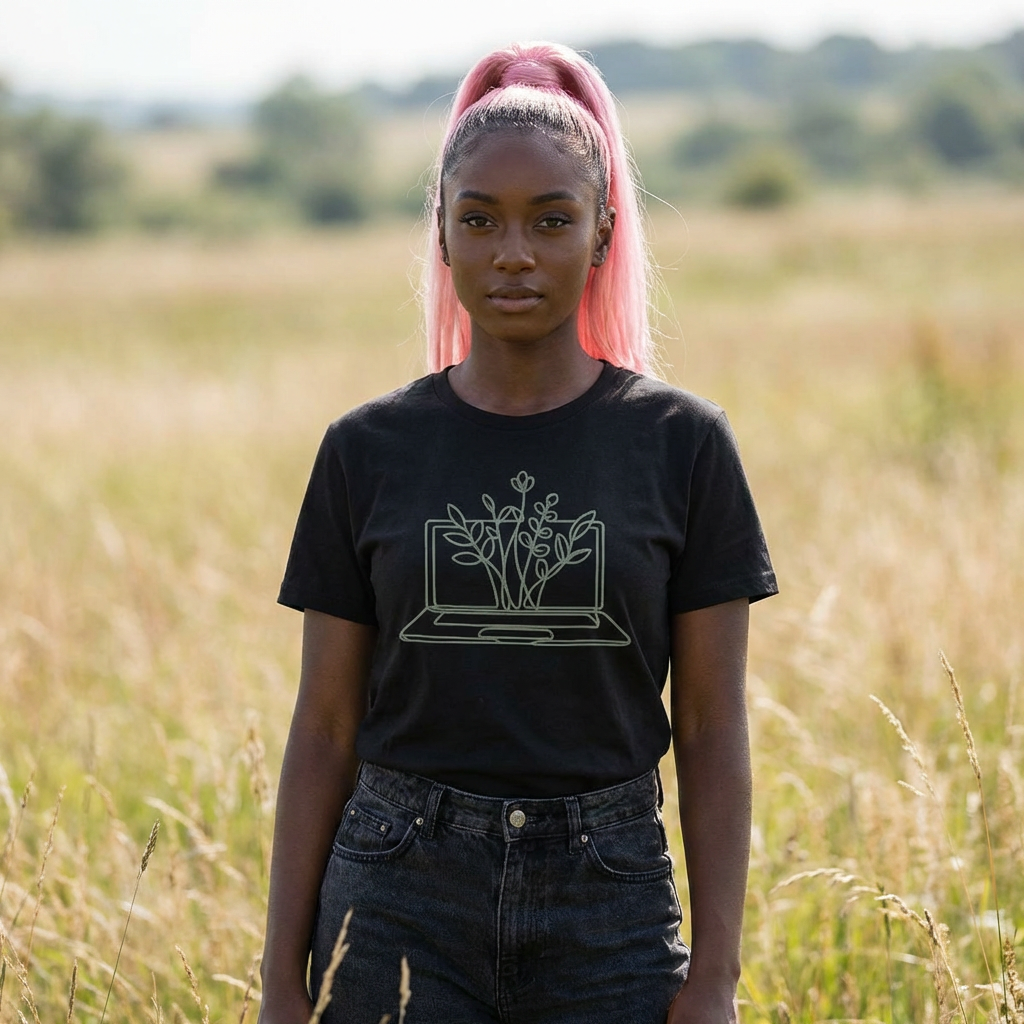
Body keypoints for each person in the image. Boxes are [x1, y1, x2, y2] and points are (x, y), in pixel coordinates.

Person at [258, 41, 777, 1024]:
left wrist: (714, 975)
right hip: (393, 895)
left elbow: (711, 728)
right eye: (479, 220)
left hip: (611, 899)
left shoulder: (683, 447)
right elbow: (323, 727)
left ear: (602, 233)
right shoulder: (365, 450)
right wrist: (283, 981)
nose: (512, 253)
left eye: (551, 221)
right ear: (441, 236)